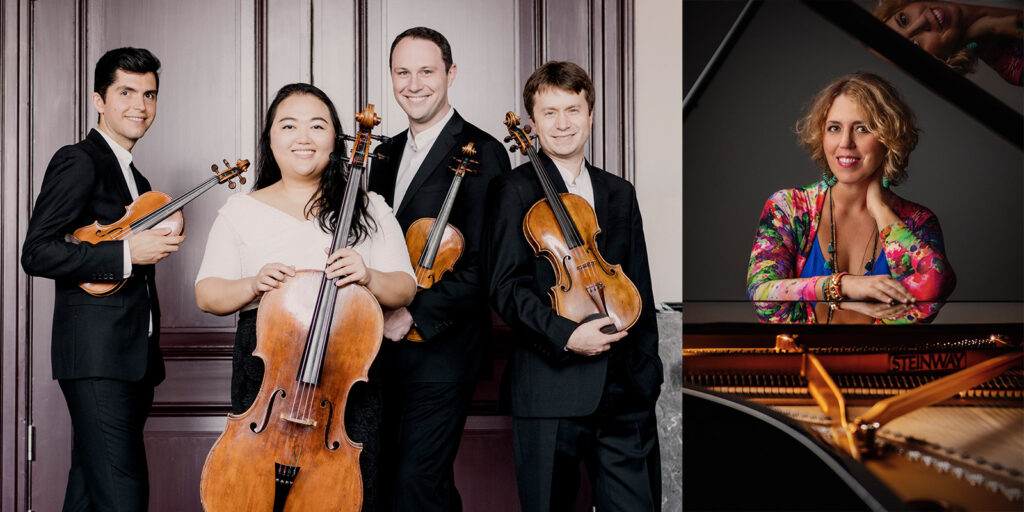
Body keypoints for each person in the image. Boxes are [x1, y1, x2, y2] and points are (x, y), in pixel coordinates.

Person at [193, 82, 416, 510]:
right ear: (270, 138)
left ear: (335, 138)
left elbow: (404, 287)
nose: (303, 137)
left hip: (346, 375)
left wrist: (367, 276)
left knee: (347, 494)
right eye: (289, 125)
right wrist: (253, 284)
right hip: (266, 375)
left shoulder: (369, 207)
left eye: (318, 126)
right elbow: (208, 294)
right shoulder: (241, 210)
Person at [484, 61, 662, 511]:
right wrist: (567, 336)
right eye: (549, 113)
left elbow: (637, 283)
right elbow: (506, 287)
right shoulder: (513, 190)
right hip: (550, 389)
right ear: (533, 122)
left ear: (590, 115)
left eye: (572, 110)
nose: (562, 124)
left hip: (625, 392)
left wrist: (648, 374)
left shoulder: (619, 192)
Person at [21, 47, 181, 511]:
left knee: (91, 492)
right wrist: (128, 252)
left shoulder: (137, 178)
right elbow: (37, 251)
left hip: (132, 360)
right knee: (123, 494)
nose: (140, 106)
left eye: (149, 95)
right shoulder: (80, 159)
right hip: (97, 357)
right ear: (99, 100)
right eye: (126, 93)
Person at [367, 26, 511, 512]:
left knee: (416, 484)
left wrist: (414, 314)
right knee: (389, 482)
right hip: (375, 349)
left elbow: (486, 262)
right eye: (402, 72)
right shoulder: (382, 154)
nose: (414, 84)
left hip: (442, 351)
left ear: (450, 74)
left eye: (426, 71)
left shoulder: (484, 151)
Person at [746, 72, 957, 324]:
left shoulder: (917, 222)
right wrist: (842, 286)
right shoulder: (789, 208)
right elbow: (762, 297)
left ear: (889, 138)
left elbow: (936, 287)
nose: (845, 142)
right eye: (834, 128)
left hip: (881, 361)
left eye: (862, 129)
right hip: (800, 360)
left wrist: (879, 208)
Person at [876, 1, 1023, 85]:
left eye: (903, 20)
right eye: (915, 45)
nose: (922, 22)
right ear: (942, 61)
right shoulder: (1015, 67)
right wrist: (991, 26)